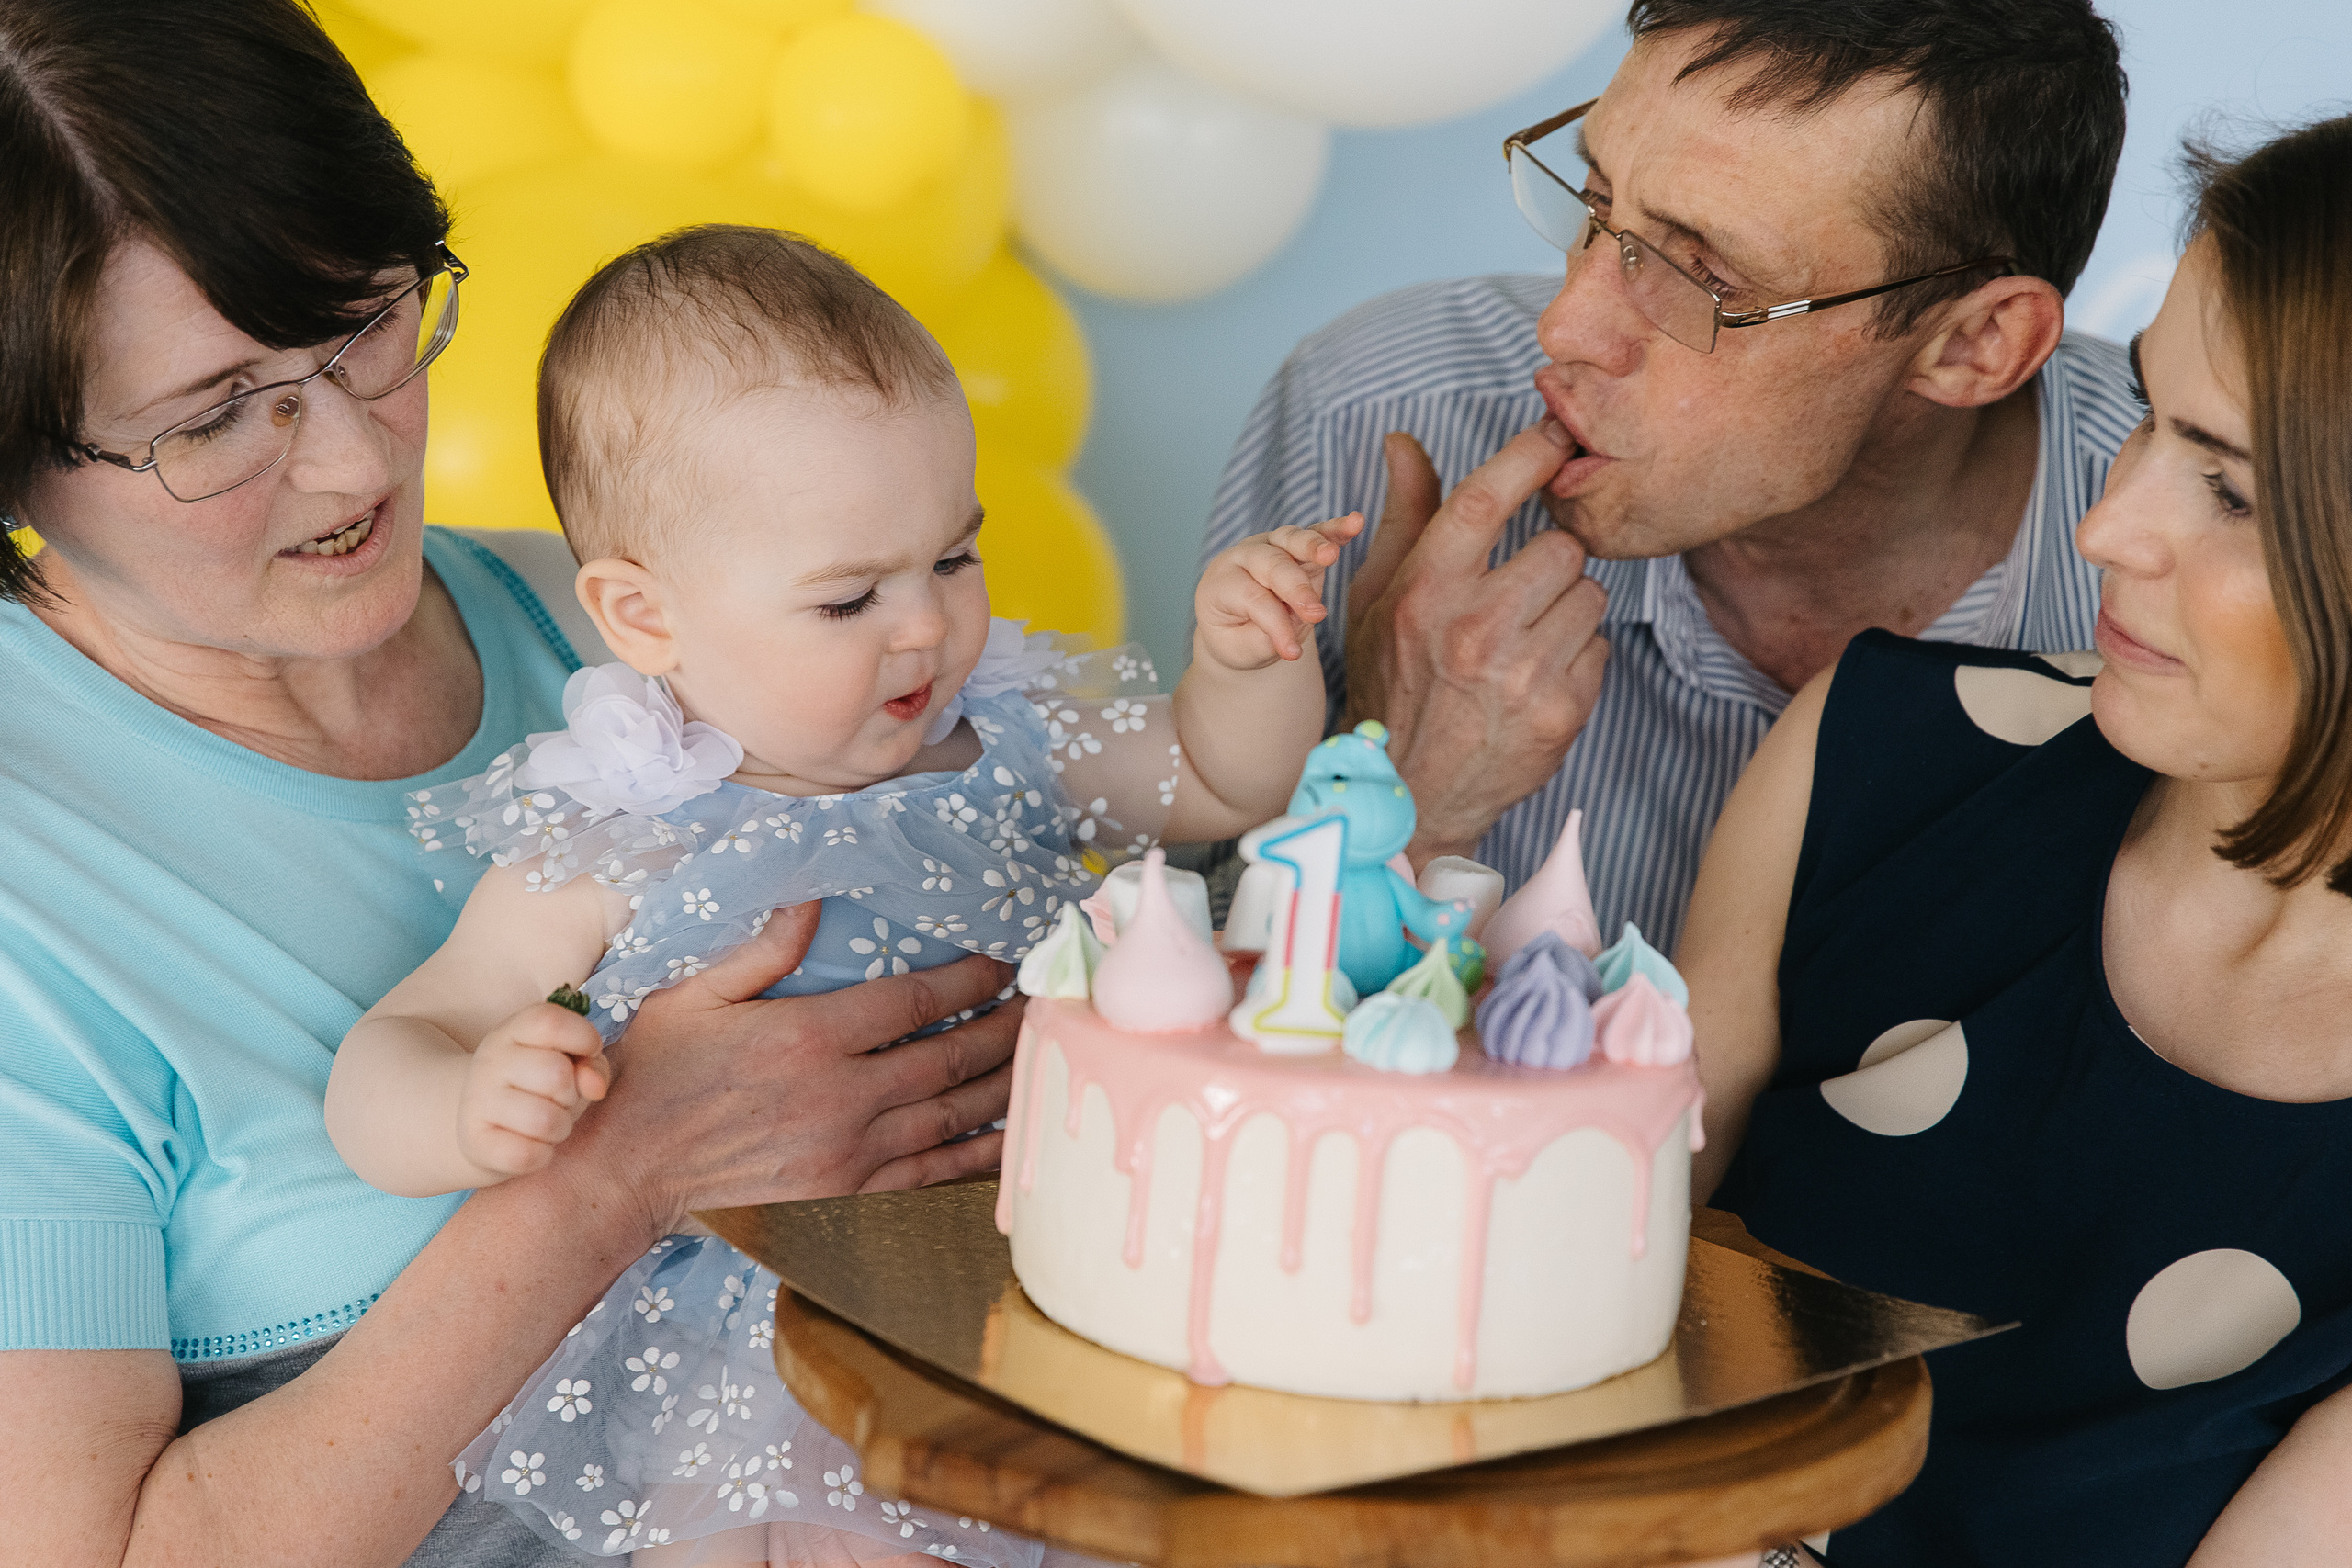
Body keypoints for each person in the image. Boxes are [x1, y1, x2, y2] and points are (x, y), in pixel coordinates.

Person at [0, 6, 1025, 1564]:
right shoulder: (29, 890)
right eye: (212, 418)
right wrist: (621, 1176)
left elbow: (1136, 826)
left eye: (364, 332)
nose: (351, 466)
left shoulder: (671, 626)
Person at [325, 224, 1358, 1565]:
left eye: (952, 557)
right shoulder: (620, 827)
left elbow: (1227, 778)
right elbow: (401, 1042)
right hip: (759, 1331)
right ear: (645, 618)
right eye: (850, 596)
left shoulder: (1013, 737)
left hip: (1040, 1268)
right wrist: (471, 1108)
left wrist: (1248, 657)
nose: (925, 622)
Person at [1681, 116, 2352, 1565]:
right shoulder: (1875, 758)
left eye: (2230, 488)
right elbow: (1545, 1283)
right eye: (2144, 422)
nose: (2107, 526)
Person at [1199, 0, 2140, 954]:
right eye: (1597, 204)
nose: (1564, 327)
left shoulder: (2227, 542)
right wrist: (1403, 792)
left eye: (1704, 276)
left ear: (1975, 344)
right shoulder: (1376, 409)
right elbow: (1145, 1011)